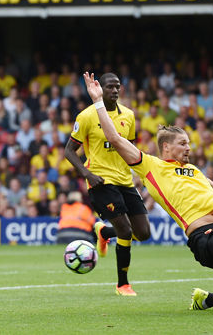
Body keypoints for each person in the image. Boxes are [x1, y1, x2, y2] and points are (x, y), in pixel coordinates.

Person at [82, 71, 213, 310]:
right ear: (166, 147)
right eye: (183, 143)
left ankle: (206, 300)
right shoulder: (152, 166)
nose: (188, 148)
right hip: (203, 236)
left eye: (189, 143)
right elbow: (115, 138)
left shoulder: (193, 169)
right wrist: (98, 101)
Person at [64, 72, 150, 296]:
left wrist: (141, 173)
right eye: (109, 87)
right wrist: (87, 173)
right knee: (125, 230)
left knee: (143, 233)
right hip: (100, 180)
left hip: (125, 180)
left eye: (117, 87)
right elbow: (69, 151)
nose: (114, 90)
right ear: (99, 89)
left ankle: (104, 232)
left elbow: (129, 149)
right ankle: (123, 284)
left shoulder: (129, 116)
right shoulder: (86, 116)